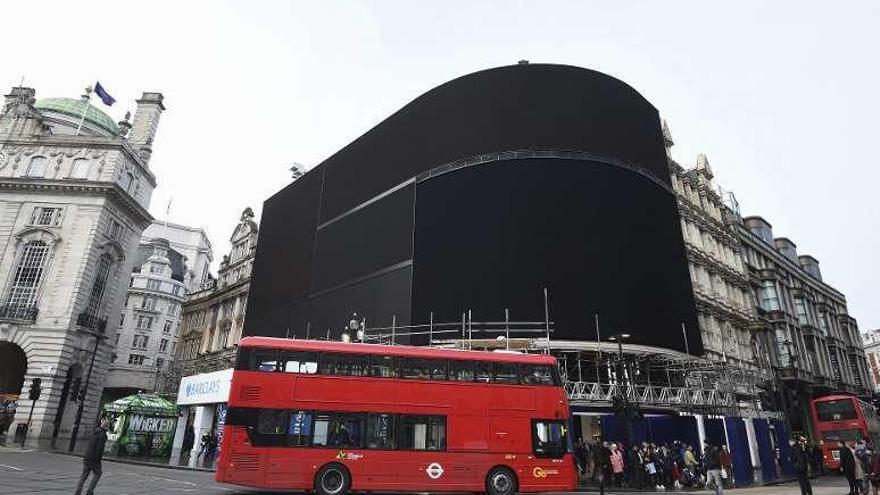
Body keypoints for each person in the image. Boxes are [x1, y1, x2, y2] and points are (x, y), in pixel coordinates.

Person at [74, 417, 110, 495]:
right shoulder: (103, 435)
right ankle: (89, 491)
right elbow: (99, 449)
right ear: (106, 426)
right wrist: (98, 459)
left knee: (84, 475)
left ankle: (77, 492)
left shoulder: (95, 431)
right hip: (94, 459)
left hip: (87, 456)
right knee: (98, 474)